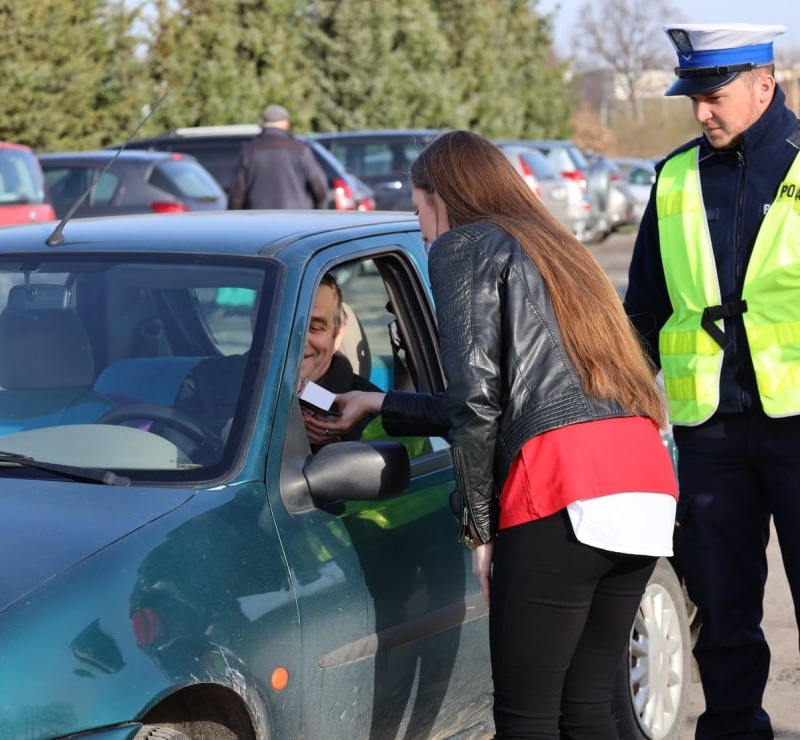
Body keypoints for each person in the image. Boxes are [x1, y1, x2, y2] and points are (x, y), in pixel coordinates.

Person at [313, 130, 678, 738]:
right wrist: (379, 401)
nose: (420, 226)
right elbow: (520, 398)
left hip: (564, 487)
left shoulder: (463, 246)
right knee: (589, 708)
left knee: (525, 716)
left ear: (441, 198)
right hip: (642, 483)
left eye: (418, 207)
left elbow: (479, 403)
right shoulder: (559, 246)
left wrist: (480, 529)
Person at [624, 23, 800, 738]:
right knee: (723, 611)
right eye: (693, 96)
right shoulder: (671, 178)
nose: (701, 112)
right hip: (709, 435)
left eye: (715, 94)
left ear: (765, 83)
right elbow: (640, 311)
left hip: (797, 421)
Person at [170, 273, 379, 460]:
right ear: (255, 321)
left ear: (339, 333)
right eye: (282, 324)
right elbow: (170, 447)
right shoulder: (209, 379)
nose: (296, 341)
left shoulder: (366, 406)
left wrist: (333, 452)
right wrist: (227, 431)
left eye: (314, 328)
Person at [227, 104, 329, 210]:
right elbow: (319, 187)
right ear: (286, 124)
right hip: (295, 221)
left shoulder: (249, 151)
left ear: (263, 124)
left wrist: (234, 219)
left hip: (259, 222)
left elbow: (237, 193)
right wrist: (320, 212)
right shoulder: (300, 149)